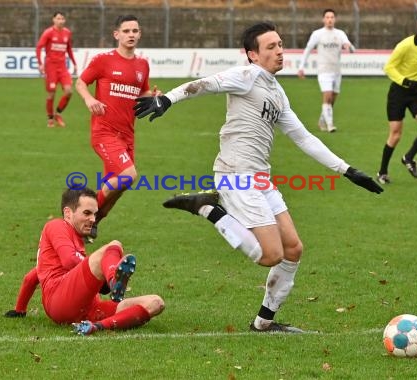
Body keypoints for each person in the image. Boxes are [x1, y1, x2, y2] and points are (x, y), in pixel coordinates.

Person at [134, 21, 383, 333]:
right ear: (252, 54)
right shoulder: (246, 76)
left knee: (293, 249)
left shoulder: (277, 92)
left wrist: (347, 170)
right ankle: (208, 209)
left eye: (280, 44)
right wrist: (167, 99)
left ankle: (264, 322)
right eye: (271, 47)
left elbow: (304, 138)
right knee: (270, 255)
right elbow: (205, 83)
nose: (279, 51)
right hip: (235, 176)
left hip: (261, 179)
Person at [4, 187, 164, 335]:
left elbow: (31, 278)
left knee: (155, 303)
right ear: (68, 213)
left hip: (87, 309)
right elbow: (69, 260)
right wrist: (100, 274)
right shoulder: (57, 226)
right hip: (59, 300)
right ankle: (113, 279)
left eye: (95, 214)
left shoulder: (74, 242)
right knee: (114, 246)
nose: (93, 219)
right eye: (87, 213)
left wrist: (20, 310)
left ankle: (97, 326)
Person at [75, 14, 158, 241]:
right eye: (127, 31)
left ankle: (91, 226)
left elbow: (143, 93)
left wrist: (153, 97)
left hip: (128, 135)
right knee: (128, 175)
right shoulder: (103, 60)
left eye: (135, 31)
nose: (131, 34)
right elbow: (80, 82)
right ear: (117, 35)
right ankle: (79, 221)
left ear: (139, 34)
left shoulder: (142, 65)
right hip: (104, 131)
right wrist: (89, 100)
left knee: (116, 190)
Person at [376, 15, 417, 185]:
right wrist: (403, 80)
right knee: (395, 135)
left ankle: (408, 158)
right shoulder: (405, 45)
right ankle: (382, 172)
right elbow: (388, 67)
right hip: (398, 93)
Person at [297, 8, 355, 133]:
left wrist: (349, 47)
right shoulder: (317, 34)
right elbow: (308, 49)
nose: (330, 19)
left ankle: (322, 120)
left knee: (332, 100)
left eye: (332, 17)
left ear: (335, 19)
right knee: (327, 96)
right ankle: (330, 125)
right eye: (327, 17)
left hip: (337, 71)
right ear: (323, 19)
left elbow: (351, 48)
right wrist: (301, 67)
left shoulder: (340, 34)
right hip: (324, 70)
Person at [36, 11, 78, 128]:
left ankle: (57, 114)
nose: (60, 21)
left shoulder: (67, 33)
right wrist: (40, 63)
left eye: (62, 19)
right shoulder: (48, 33)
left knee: (69, 91)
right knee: (51, 94)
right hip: (51, 67)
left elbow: (69, 49)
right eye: (58, 18)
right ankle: (50, 118)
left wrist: (74, 63)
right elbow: (39, 47)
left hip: (62, 67)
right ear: (53, 20)